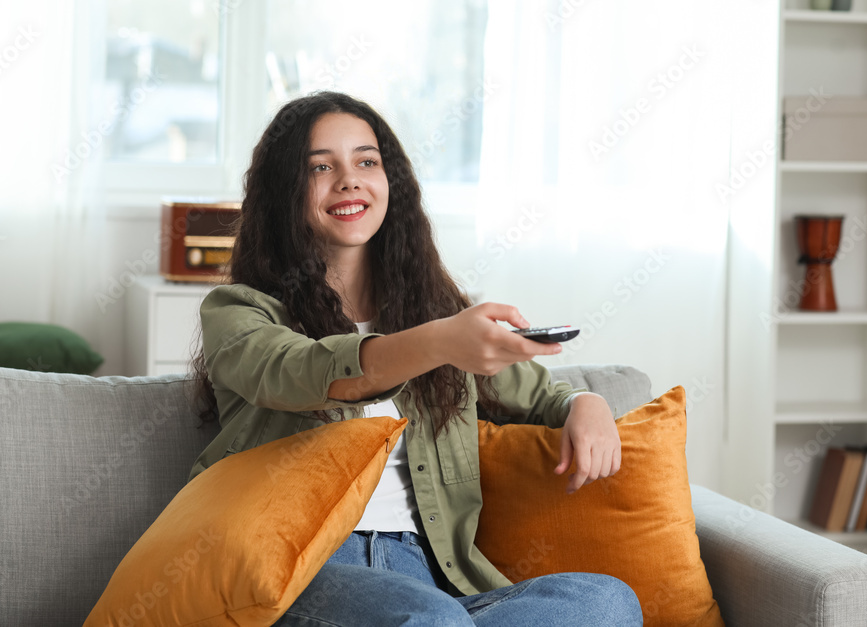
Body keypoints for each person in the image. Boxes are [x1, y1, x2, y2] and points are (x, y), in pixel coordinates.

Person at [190, 91, 642, 626]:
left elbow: (542, 392)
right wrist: (441, 341)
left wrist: (584, 403)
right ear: (283, 190)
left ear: (390, 182)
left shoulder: (437, 311)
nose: (349, 179)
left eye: (366, 161)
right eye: (320, 167)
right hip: (295, 573)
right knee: (433, 621)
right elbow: (303, 372)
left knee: (606, 602)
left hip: (431, 579)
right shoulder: (237, 312)